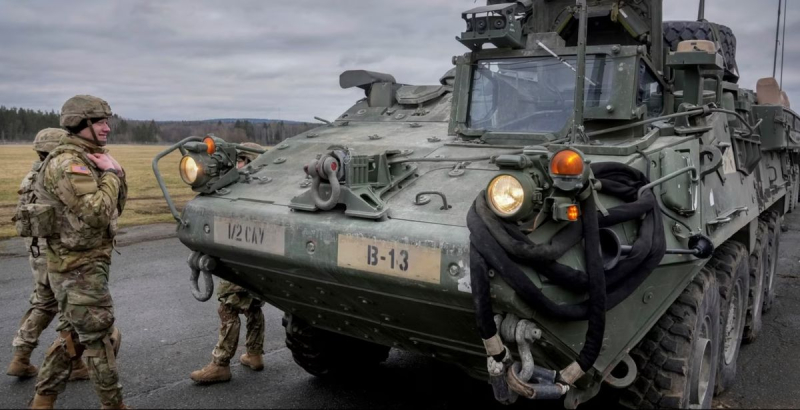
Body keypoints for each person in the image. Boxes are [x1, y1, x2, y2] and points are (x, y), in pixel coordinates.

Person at [30, 95, 128, 409]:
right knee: (99, 339)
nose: (107, 128)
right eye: (99, 121)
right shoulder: (67, 162)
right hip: (77, 268)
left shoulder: (87, 158)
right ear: (79, 123)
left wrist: (115, 174)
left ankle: (42, 401)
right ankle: (114, 406)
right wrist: (112, 173)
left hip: (86, 263)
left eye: (106, 121)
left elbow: (116, 206)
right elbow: (97, 212)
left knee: (72, 336)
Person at [7, 128, 89, 382]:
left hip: (36, 249)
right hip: (56, 250)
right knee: (69, 306)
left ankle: (21, 355)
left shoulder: (31, 176)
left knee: (43, 302)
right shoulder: (58, 175)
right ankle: (73, 363)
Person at [190, 142, 267, 384]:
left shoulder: (243, 188)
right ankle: (254, 354)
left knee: (228, 307)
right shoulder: (264, 188)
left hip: (240, 259)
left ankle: (220, 364)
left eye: (241, 161)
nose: (236, 166)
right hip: (259, 259)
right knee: (253, 306)